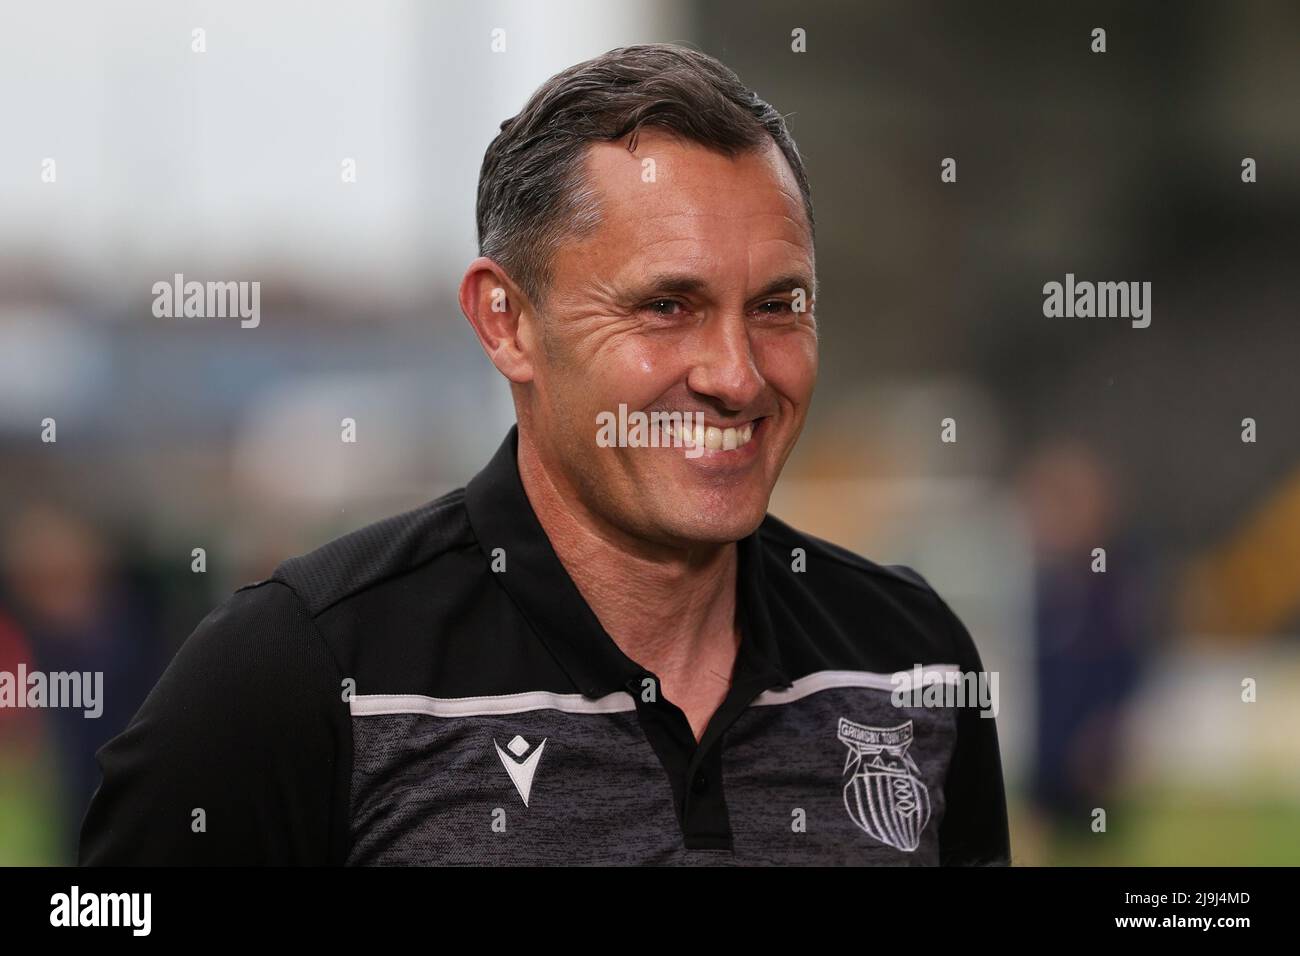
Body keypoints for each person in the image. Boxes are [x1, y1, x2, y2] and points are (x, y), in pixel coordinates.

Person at [80, 43, 1009, 865]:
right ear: (507, 321)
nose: (736, 375)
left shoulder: (910, 655)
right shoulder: (293, 672)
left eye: (777, 307)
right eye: (665, 307)